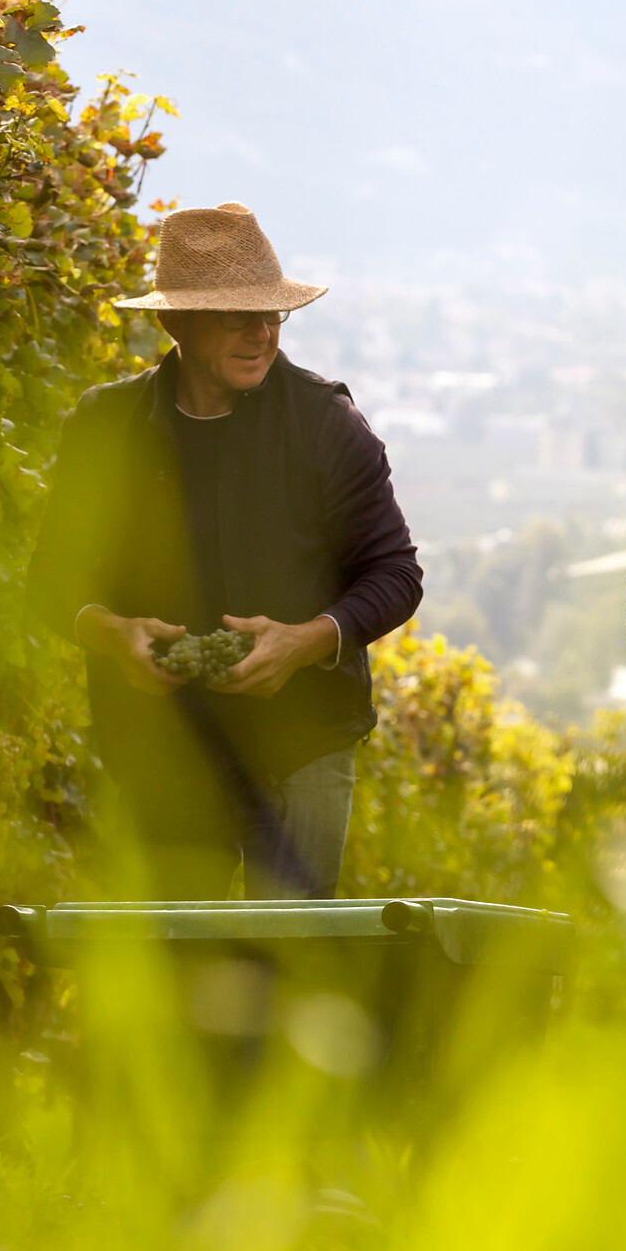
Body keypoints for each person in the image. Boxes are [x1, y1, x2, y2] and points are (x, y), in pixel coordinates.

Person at [29, 202, 422, 899]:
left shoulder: (326, 426)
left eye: (272, 315)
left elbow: (395, 574)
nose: (261, 333)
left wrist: (302, 643)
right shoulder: (105, 427)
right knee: (183, 976)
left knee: (288, 970)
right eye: (235, 315)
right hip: (164, 754)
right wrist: (115, 635)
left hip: (302, 746)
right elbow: (50, 585)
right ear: (175, 323)